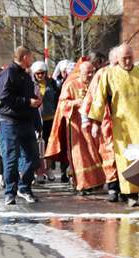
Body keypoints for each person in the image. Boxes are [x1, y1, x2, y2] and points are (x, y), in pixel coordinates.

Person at [85, 43, 139, 208]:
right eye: (124, 58)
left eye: (130, 58)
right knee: (126, 160)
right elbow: (99, 99)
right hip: (122, 127)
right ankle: (130, 194)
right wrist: (95, 123)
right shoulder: (109, 75)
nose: (127, 61)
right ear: (117, 59)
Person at [45, 60, 105, 195]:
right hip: (76, 128)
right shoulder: (70, 85)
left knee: (96, 154)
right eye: (87, 73)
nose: (90, 75)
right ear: (80, 72)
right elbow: (62, 104)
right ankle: (82, 184)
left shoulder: (96, 84)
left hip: (94, 125)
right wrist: (75, 103)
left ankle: (97, 182)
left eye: (92, 72)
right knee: (80, 157)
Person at [0, 47, 44, 205]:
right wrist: (27, 101)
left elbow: (29, 98)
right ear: (24, 57)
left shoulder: (26, 74)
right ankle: (10, 192)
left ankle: (24, 187)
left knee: (34, 157)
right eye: (30, 56)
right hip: (10, 122)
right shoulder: (8, 73)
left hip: (27, 121)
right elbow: (4, 97)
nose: (32, 60)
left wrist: (35, 105)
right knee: (11, 158)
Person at [82, 47, 121, 201]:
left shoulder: (132, 73)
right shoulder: (102, 74)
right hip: (107, 121)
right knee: (109, 154)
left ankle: (129, 189)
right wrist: (89, 121)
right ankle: (113, 188)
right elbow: (92, 97)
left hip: (127, 122)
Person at [32, 61, 62, 182]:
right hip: (36, 119)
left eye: (42, 73)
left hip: (50, 118)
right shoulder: (31, 84)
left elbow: (57, 98)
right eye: (38, 73)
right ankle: (39, 171)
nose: (40, 75)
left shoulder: (52, 83)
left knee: (50, 145)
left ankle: (49, 169)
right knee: (38, 146)